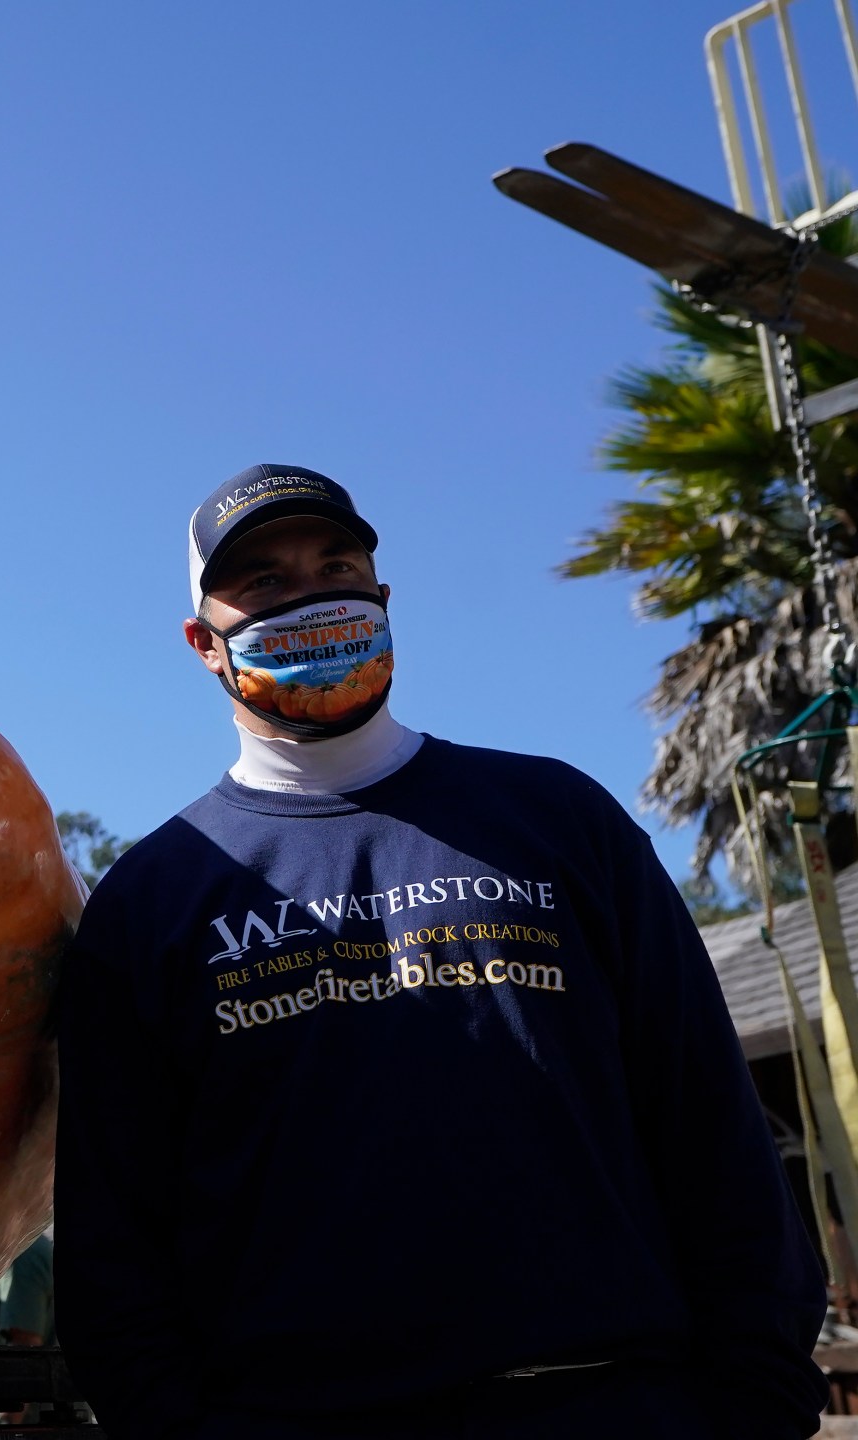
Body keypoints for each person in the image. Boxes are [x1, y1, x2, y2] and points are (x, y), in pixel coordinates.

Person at [53, 465, 828, 1439]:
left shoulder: (558, 819)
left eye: (335, 565)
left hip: (613, 1403)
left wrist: (754, 1395)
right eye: (263, 581)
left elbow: (709, 1119)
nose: (311, 595)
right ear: (201, 643)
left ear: (382, 598)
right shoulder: (151, 902)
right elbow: (110, 1238)